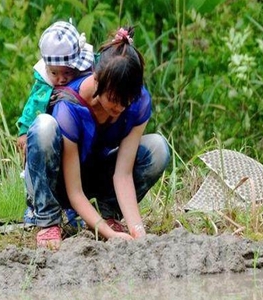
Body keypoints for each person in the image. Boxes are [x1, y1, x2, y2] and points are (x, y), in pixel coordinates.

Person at [24, 26, 170, 250]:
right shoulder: (68, 107)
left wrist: (137, 230)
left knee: (158, 148)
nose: (120, 108)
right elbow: (75, 191)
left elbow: (123, 174)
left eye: (127, 101)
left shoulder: (137, 101)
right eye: (114, 99)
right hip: (64, 181)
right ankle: (47, 219)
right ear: (97, 80)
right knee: (44, 127)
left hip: (99, 172)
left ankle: (109, 213)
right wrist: (109, 234)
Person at [16, 20, 94, 154]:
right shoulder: (44, 85)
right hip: (53, 135)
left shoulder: (86, 73)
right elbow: (33, 106)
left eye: (67, 72)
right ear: (47, 68)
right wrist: (24, 131)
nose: (61, 79)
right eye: (54, 73)